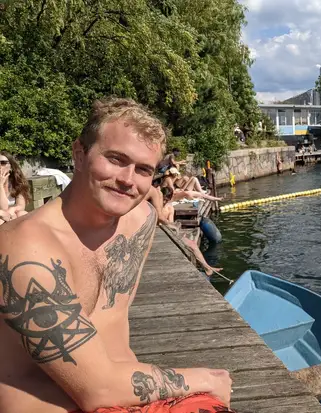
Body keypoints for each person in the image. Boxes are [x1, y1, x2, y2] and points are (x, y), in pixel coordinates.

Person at [0, 98, 233, 413]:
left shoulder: (141, 221)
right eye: (115, 159)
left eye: (143, 169)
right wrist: (207, 379)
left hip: (130, 397)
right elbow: (96, 389)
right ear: (79, 154)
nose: (127, 179)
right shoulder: (23, 249)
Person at [0, 151, 30, 225]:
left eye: (3, 163)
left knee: (22, 214)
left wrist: (12, 209)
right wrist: (0, 185)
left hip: (10, 216)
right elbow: (3, 208)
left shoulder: (16, 182)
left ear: (11, 167)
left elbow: (21, 205)